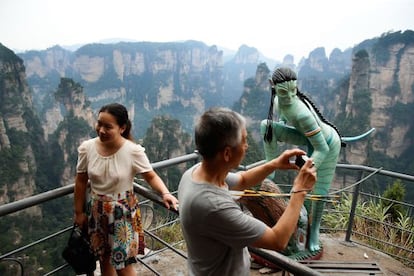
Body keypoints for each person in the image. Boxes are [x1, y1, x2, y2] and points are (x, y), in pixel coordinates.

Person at [178, 107, 317, 275]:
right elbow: (277, 240)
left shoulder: (196, 172)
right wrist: (300, 190)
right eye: (244, 140)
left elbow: (243, 180)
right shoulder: (213, 206)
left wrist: (274, 164)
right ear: (227, 153)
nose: (247, 146)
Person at [74, 103, 178, 276]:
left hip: (123, 213)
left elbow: (150, 175)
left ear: (122, 128)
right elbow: (80, 181)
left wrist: (165, 193)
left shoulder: (132, 151)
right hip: (97, 211)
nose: (101, 130)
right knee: (103, 258)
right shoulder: (87, 148)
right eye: (99, 124)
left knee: (123, 264)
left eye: (108, 127)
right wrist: (78, 212)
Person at [260, 67, 342, 252]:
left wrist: (305, 174)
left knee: (318, 192)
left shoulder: (302, 114)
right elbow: (281, 120)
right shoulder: (277, 101)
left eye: (293, 90)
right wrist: (279, 129)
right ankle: (270, 171)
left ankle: (314, 232)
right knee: (266, 126)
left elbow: (322, 148)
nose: (289, 96)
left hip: (328, 142)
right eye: (283, 92)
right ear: (273, 88)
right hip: (307, 136)